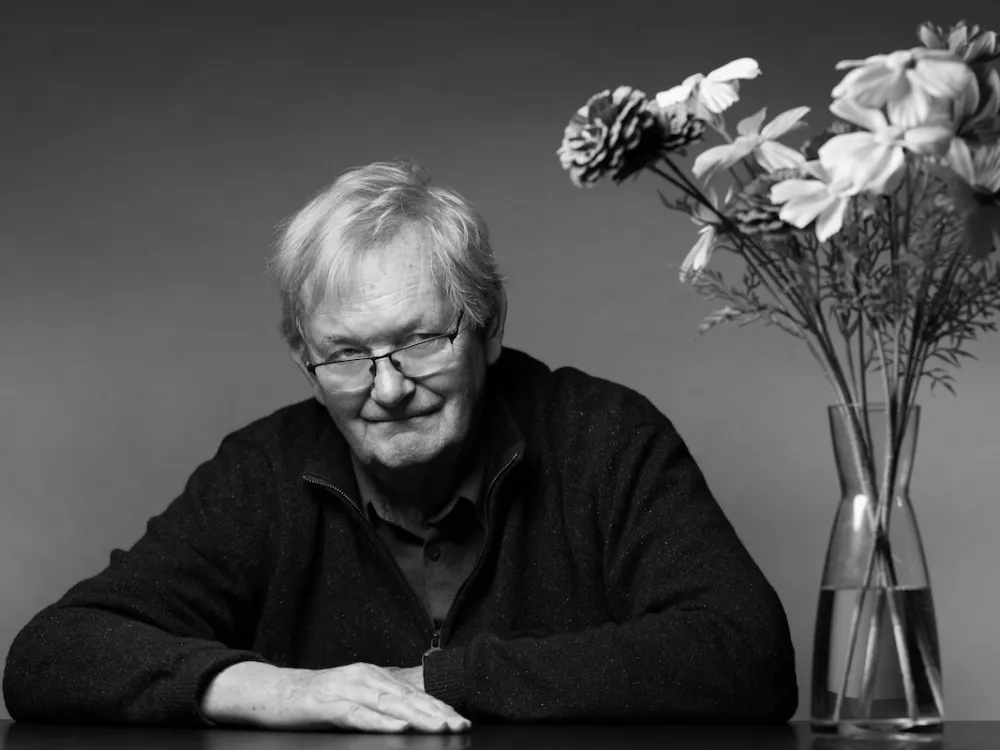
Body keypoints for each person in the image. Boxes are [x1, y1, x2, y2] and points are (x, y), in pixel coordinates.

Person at [3, 161, 798, 733]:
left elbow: (745, 653)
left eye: (420, 341)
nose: (386, 390)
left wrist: (427, 682)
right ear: (304, 362)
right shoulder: (260, 471)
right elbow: (47, 657)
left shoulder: (606, 436)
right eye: (346, 354)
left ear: (485, 328)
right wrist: (269, 690)